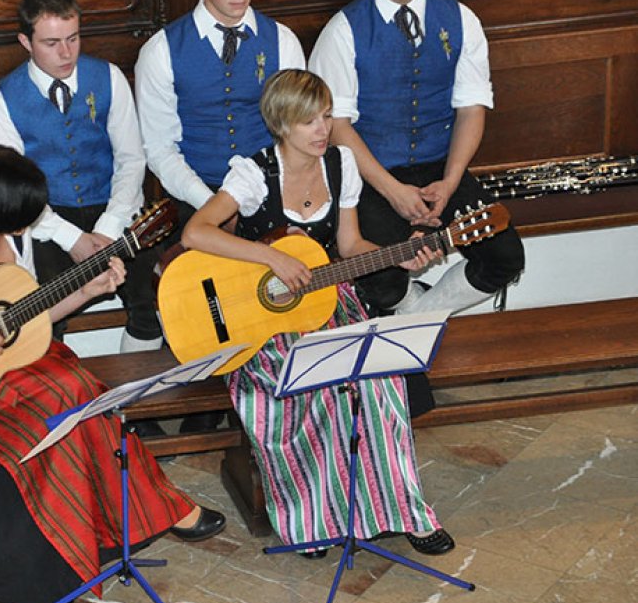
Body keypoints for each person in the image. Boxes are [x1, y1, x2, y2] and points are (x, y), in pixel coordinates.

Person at [0, 145, 226, 603]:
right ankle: (57, 567)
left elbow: (19, 321)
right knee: (65, 397)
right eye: (25, 212)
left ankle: (120, 526)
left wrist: (85, 290)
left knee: (81, 393)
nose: (34, 219)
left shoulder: (9, 240)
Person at [180, 69, 455, 556]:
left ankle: (407, 512)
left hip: (329, 301)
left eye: (326, 116)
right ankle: (312, 523)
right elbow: (196, 233)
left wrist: (399, 254)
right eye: (309, 119)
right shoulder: (254, 174)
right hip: (263, 322)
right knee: (302, 389)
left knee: (379, 381)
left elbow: (349, 246)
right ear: (282, 123)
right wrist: (273, 257)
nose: (322, 128)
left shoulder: (341, 165)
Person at [308, 0, 524, 320]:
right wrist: (393, 190)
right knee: (383, 281)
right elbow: (336, 128)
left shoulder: (461, 19)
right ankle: (412, 319)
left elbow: (471, 107)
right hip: (371, 175)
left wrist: (451, 181)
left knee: (506, 255)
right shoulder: (343, 30)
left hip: (441, 166)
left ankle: (418, 321)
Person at [135, 0, 306, 432]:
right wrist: (212, 200)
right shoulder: (162, 51)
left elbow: (294, 132)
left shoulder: (283, 41)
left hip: (263, 191)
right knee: (183, 291)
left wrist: (253, 195)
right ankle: (194, 403)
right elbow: (159, 149)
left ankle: (256, 400)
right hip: (194, 190)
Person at [0, 0, 162, 353]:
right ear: (25, 41)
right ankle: (61, 399)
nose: (66, 53)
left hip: (112, 207)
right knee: (44, 314)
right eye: (52, 43)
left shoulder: (108, 78)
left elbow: (131, 159)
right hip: (44, 218)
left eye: (73, 38)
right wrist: (73, 239)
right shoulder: (3, 98)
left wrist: (110, 227)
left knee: (152, 305)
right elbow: (12, 191)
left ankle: (133, 403)